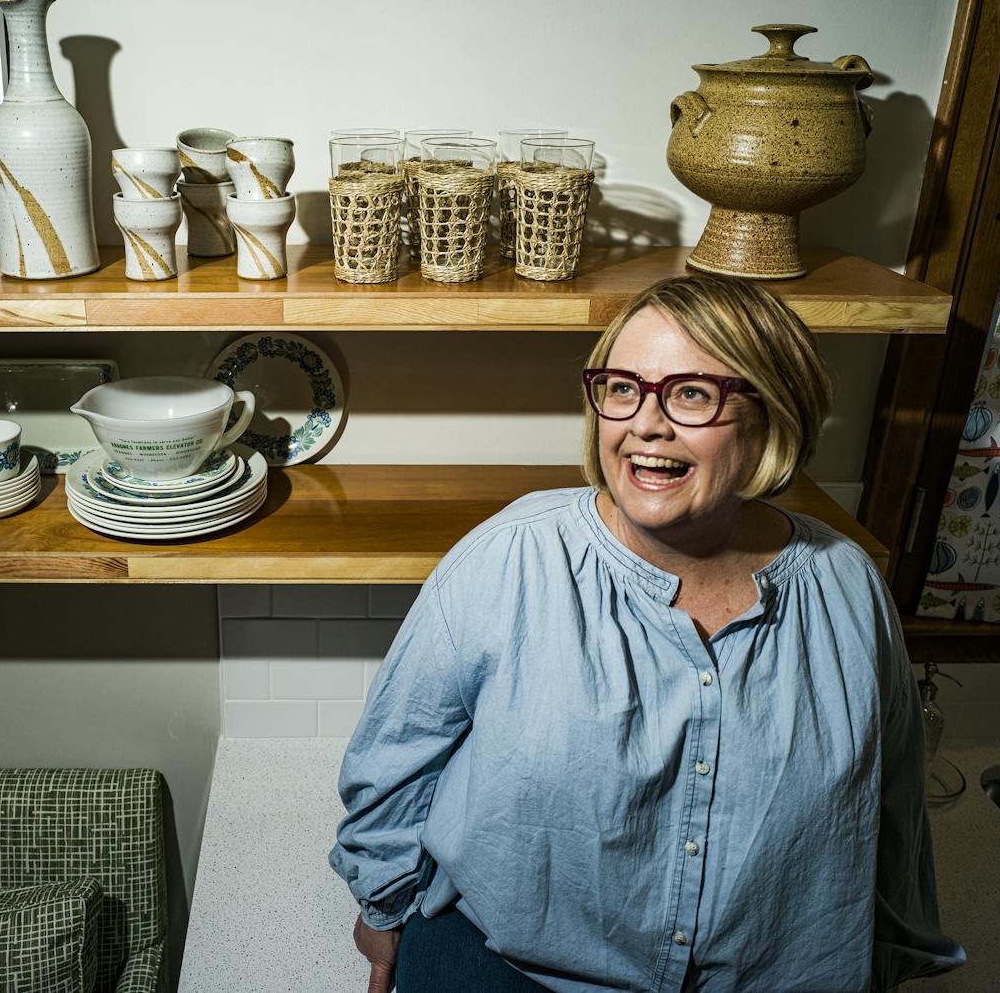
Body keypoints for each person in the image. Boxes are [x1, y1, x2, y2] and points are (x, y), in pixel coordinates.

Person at [330, 273, 965, 993]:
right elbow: (394, 763)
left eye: (692, 393)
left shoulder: (846, 586)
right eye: (622, 387)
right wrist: (382, 912)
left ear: (772, 416)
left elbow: (892, 804)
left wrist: (895, 955)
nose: (644, 424)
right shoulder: (510, 558)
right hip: (510, 965)